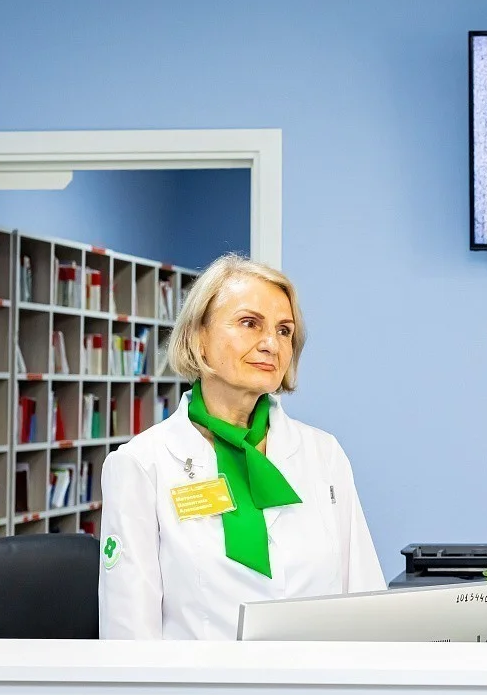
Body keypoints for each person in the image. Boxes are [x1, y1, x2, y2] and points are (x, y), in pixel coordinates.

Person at [98, 254, 386, 639]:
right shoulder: (141, 464)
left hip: (318, 675)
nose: (271, 344)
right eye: (250, 323)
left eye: (284, 331)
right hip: (204, 679)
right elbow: (129, 636)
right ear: (198, 337)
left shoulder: (324, 453)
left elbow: (366, 600)